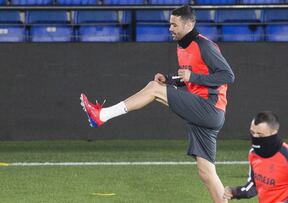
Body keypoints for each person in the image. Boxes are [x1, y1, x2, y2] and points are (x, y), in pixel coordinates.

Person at [80, 5, 234, 203]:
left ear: (188, 24)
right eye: (170, 24)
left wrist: (191, 76)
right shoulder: (181, 46)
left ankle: (102, 115)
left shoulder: (204, 45)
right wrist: (170, 80)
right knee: (206, 173)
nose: (170, 28)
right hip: (201, 112)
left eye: (174, 24)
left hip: (209, 108)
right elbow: (190, 79)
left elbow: (228, 76)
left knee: (153, 89)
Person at [223, 111, 288, 203]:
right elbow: (254, 184)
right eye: (252, 133)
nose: (255, 138)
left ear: (273, 132)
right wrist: (235, 192)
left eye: (260, 135)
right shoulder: (254, 153)